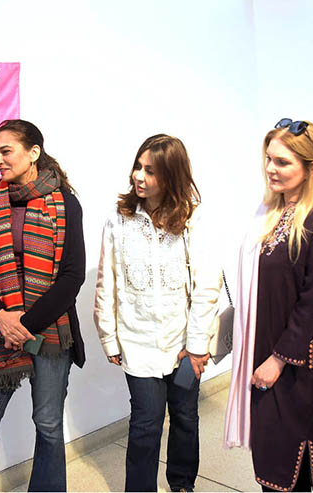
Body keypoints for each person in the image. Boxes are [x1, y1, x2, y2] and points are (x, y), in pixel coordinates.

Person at [0, 119, 85, 492]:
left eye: (5, 151)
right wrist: (1, 317)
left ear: (33, 153)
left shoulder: (65, 203)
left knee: (47, 426)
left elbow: (72, 276)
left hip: (49, 331)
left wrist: (25, 324)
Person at [224, 118, 313, 491]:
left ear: (312, 168)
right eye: (268, 159)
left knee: (292, 471)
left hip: (299, 368)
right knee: (271, 464)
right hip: (267, 354)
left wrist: (278, 360)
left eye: (282, 162)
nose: (270, 169)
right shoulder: (271, 213)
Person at [93, 134, 220, 491]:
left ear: (171, 175)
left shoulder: (194, 219)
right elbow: (108, 282)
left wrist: (196, 345)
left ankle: (182, 484)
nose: (139, 176)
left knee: (184, 417)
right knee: (146, 424)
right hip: (137, 343)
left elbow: (206, 286)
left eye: (150, 170)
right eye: (138, 166)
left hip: (184, 344)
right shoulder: (119, 220)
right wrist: (109, 337)